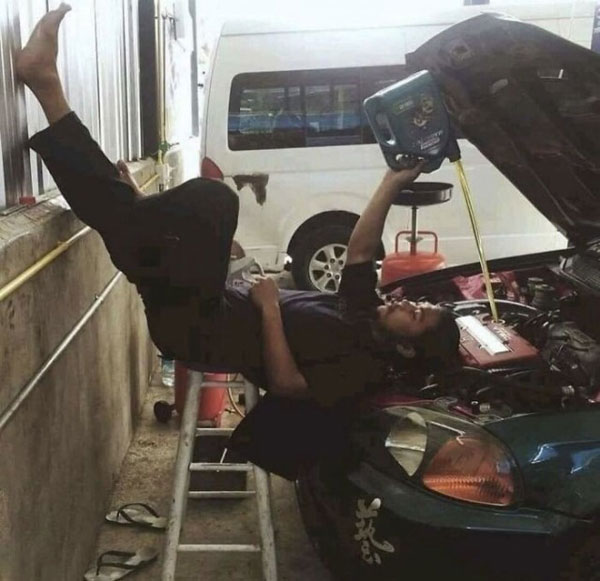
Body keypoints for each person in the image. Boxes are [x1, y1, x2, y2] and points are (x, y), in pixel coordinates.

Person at [16, 5, 459, 474]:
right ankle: (51, 90)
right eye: (419, 304)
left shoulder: (363, 369)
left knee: (210, 202)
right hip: (215, 299)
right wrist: (393, 180)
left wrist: (270, 309)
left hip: (200, 330)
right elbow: (361, 250)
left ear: (407, 348)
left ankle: (55, 96)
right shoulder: (363, 310)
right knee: (147, 219)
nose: (407, 304)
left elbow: (288, 385)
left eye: (417, 317)